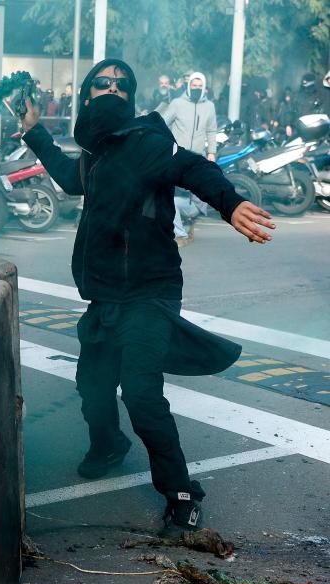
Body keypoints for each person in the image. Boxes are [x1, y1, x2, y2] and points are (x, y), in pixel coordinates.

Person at [20, 59, 275, 537]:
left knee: (140, 392)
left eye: (122, 85)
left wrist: (230, 202)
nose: (112, 90)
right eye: (103, 83)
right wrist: (35, 133)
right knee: (93, 388)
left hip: (150, 293)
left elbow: (196, 168)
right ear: (87, 94)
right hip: (106, 295)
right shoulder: (96, 153)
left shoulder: (147, 142)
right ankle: (109, 444)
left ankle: (182, 493)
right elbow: (69, 179)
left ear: (132, 96)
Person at [162, 72, 218, 245]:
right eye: (193, 85)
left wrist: (212, 153)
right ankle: (180, 234)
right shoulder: (177, 104)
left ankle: (189, 221)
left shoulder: (209, 106)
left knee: (199, 202)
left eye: (199, 86)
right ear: (188, 86)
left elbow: (211, 131)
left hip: (198, 160)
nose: (196, 88)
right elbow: (163, 123)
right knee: (165, 197)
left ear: (204, 88)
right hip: (177, 157)